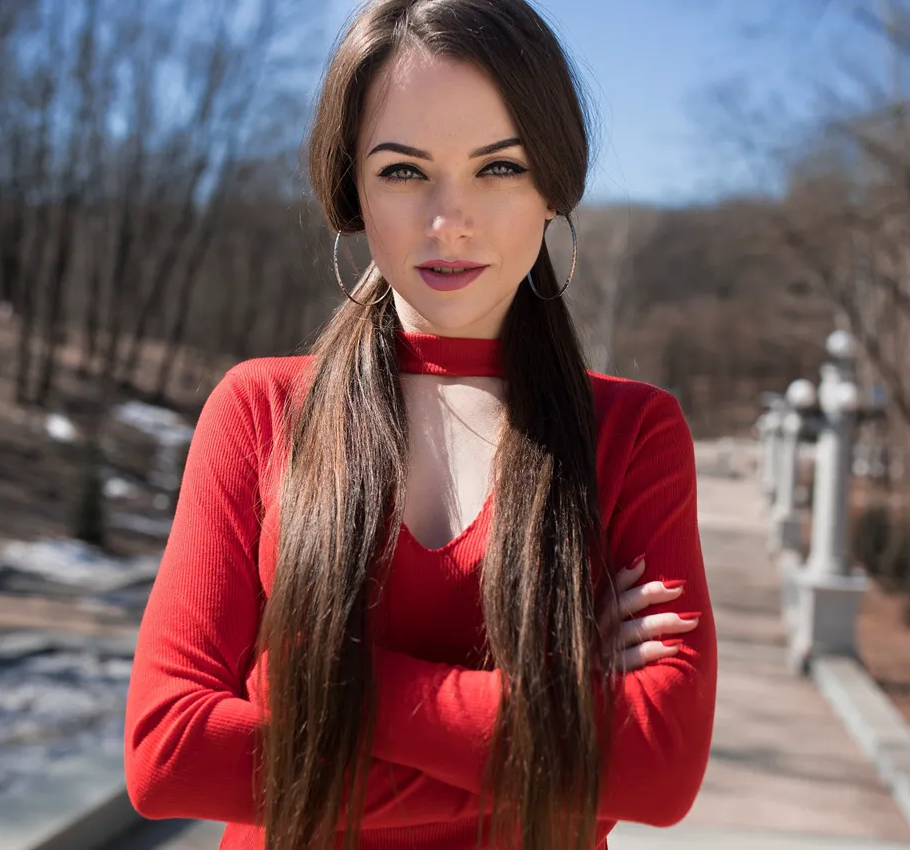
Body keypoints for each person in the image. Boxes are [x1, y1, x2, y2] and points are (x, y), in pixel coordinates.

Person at [122, 1, 717, 848]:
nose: (450, 220)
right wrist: (559, 726)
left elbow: (657, 771)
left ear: (554, 183)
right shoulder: (260, 411)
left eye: (499, 169)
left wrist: (329, 683)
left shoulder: (631, 433)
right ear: (352, 189)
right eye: (404, 171)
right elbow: (168, 753)